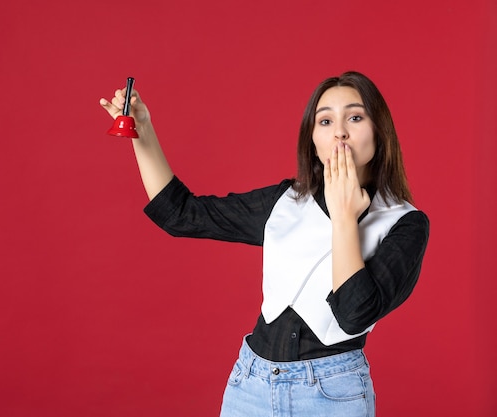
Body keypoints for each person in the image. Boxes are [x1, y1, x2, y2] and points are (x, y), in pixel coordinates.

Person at [99, 71, 429, 417]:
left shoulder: (404, 224)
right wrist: (143, 129)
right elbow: (180, 214)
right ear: (312, 140)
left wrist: (345, 216)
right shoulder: (284, 201)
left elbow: (352, 315)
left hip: (333, 395)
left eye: (356, 117)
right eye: (326, 121)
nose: (340, 132)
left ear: (380, 132)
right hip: (251, 387)